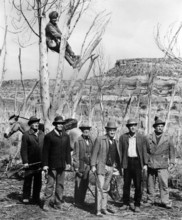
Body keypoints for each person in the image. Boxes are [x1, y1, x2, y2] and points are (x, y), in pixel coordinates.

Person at [91, 121, 121, 217]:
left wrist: (116, 167)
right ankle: (98, 210)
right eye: (110, 130)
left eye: (114, 130)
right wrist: (93, 165)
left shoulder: (116, 141)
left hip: (111, 167)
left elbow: (117, 156)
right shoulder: (100, 139)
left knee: (106, 188)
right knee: (99, 188)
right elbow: (94, 153)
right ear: (107, 130)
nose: (112, 132)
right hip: (101, 166)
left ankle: (104, 208)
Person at [42, 116, 71, 211]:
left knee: (60, 185)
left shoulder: (66, 136)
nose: (60, 125)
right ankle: (46, 203)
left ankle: (58, 203)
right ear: (55, 125)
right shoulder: (49, 136)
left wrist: (69, 162)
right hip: (52, 165)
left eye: (62, 124)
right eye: (58, 124)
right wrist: (45, 165)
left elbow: (67, 150)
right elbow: (45, 152)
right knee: (50, 184)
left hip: (62, 165)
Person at [119, 119, 148, 213]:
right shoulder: (123, 137)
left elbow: (144, 151)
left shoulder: (142, 137)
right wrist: (121, 165)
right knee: (126, 184)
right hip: (127, 162)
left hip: (137, 163)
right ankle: (125, 203)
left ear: (136, 126)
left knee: (138, 185)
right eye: (130, 126)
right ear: (128, 127)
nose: (133, 127)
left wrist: (145, 164)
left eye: (134, 125)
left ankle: (137, 204)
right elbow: (120, 151)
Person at [146, 118, 175, 208]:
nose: (160, 128)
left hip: (163, 163)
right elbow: (145, 150)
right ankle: (150, 200)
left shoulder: (168, 137)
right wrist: (145, 162)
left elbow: (172, 150)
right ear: (155, 127)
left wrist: (172, 162)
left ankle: (165, 201)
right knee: (150, 183)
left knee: (163, 183)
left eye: (162, 126)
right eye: (158, 126)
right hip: (151, 162)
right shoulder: (149, 137)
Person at [20, 116, 44, 204]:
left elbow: (45, 148)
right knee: (28, 180)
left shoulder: (42, 134)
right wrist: (25, 162)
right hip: (30, 162)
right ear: (30, 125)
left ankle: (35, 198)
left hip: (39, 162)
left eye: (37, 122)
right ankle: (26, 197)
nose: (36, 124)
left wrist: (44, 161)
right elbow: (23, 150)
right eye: (34, 123)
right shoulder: (26, 135)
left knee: (38, 182)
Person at [72, 123, 94, 206]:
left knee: (85, 183)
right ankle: (77, 201)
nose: (86, 130)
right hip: (81, 164)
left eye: (88, 129)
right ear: (82, 130)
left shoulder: (91, 140)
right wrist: (76, 167)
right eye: (84, 129)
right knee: (79, 183)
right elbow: (75, 155)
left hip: (88, 165)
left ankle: (82, 200)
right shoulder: (78, 140)